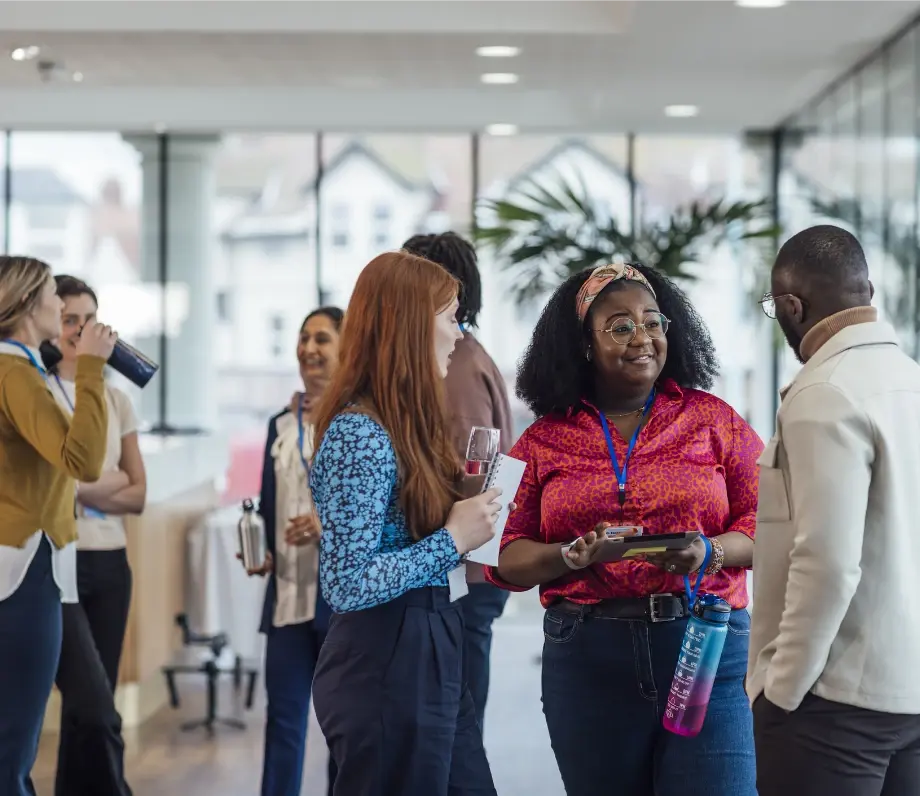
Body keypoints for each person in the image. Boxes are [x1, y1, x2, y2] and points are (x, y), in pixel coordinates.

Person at [487, 262, 762, 796]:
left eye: (653, 322)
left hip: (705, 646)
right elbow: (498, 552)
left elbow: (770, 521)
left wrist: (709, 552)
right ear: (584, 345)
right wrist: (569, 556)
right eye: (620, 326)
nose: (642, 337)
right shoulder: (540, 440)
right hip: (589, 656)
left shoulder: (714, 420)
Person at [310, 251, 503, 796]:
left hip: (430, 640)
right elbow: (346, 583)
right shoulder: (359, 434)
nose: (458, 335)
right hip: (386, 657)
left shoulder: (405, 426)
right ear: (411, 326)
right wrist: (452, 539)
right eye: (450, 319)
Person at [749, 225, 920, 796]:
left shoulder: (825, 391)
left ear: (792, 307)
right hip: (908, 693)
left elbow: (826, 561)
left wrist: (782, 688)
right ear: (867, 291)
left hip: (834, 701)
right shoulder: (910, 379)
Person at [0, 256, 115, 796]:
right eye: (51, 294)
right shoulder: (16, 375)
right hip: (24, 571)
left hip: (19, 563)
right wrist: (91, 369)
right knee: (13, 748)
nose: (59, 304)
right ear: (27, 304)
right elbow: (84, 460)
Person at [402, 231, 513, 731]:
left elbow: (470, 477)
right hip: (461, 566)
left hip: (459, 571)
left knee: (451, 729)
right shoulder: (462, 356)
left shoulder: (455, 368)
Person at [47, 275, 146, 796]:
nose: (81, 332)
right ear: (51, 325)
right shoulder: (40, 392)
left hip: (111, 563)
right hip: (58, 564)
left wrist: (78, 488)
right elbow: (51, 488)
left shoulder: (116, 398)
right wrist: (102, 484)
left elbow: (138, 494)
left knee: (92, 702)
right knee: (95, 708)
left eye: (89, 321)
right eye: (69, 320)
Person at [248, 307, 343, 796]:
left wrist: (328, 525)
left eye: (322, 339)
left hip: (338, 598)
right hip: (286, 593)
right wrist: (262, 547)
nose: (309, 348)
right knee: (282, 721)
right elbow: (270, 501)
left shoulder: (357, 422)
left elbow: (378, 506)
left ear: (347, 349)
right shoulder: (280, 424)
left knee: (341, 728)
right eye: (304, 338)